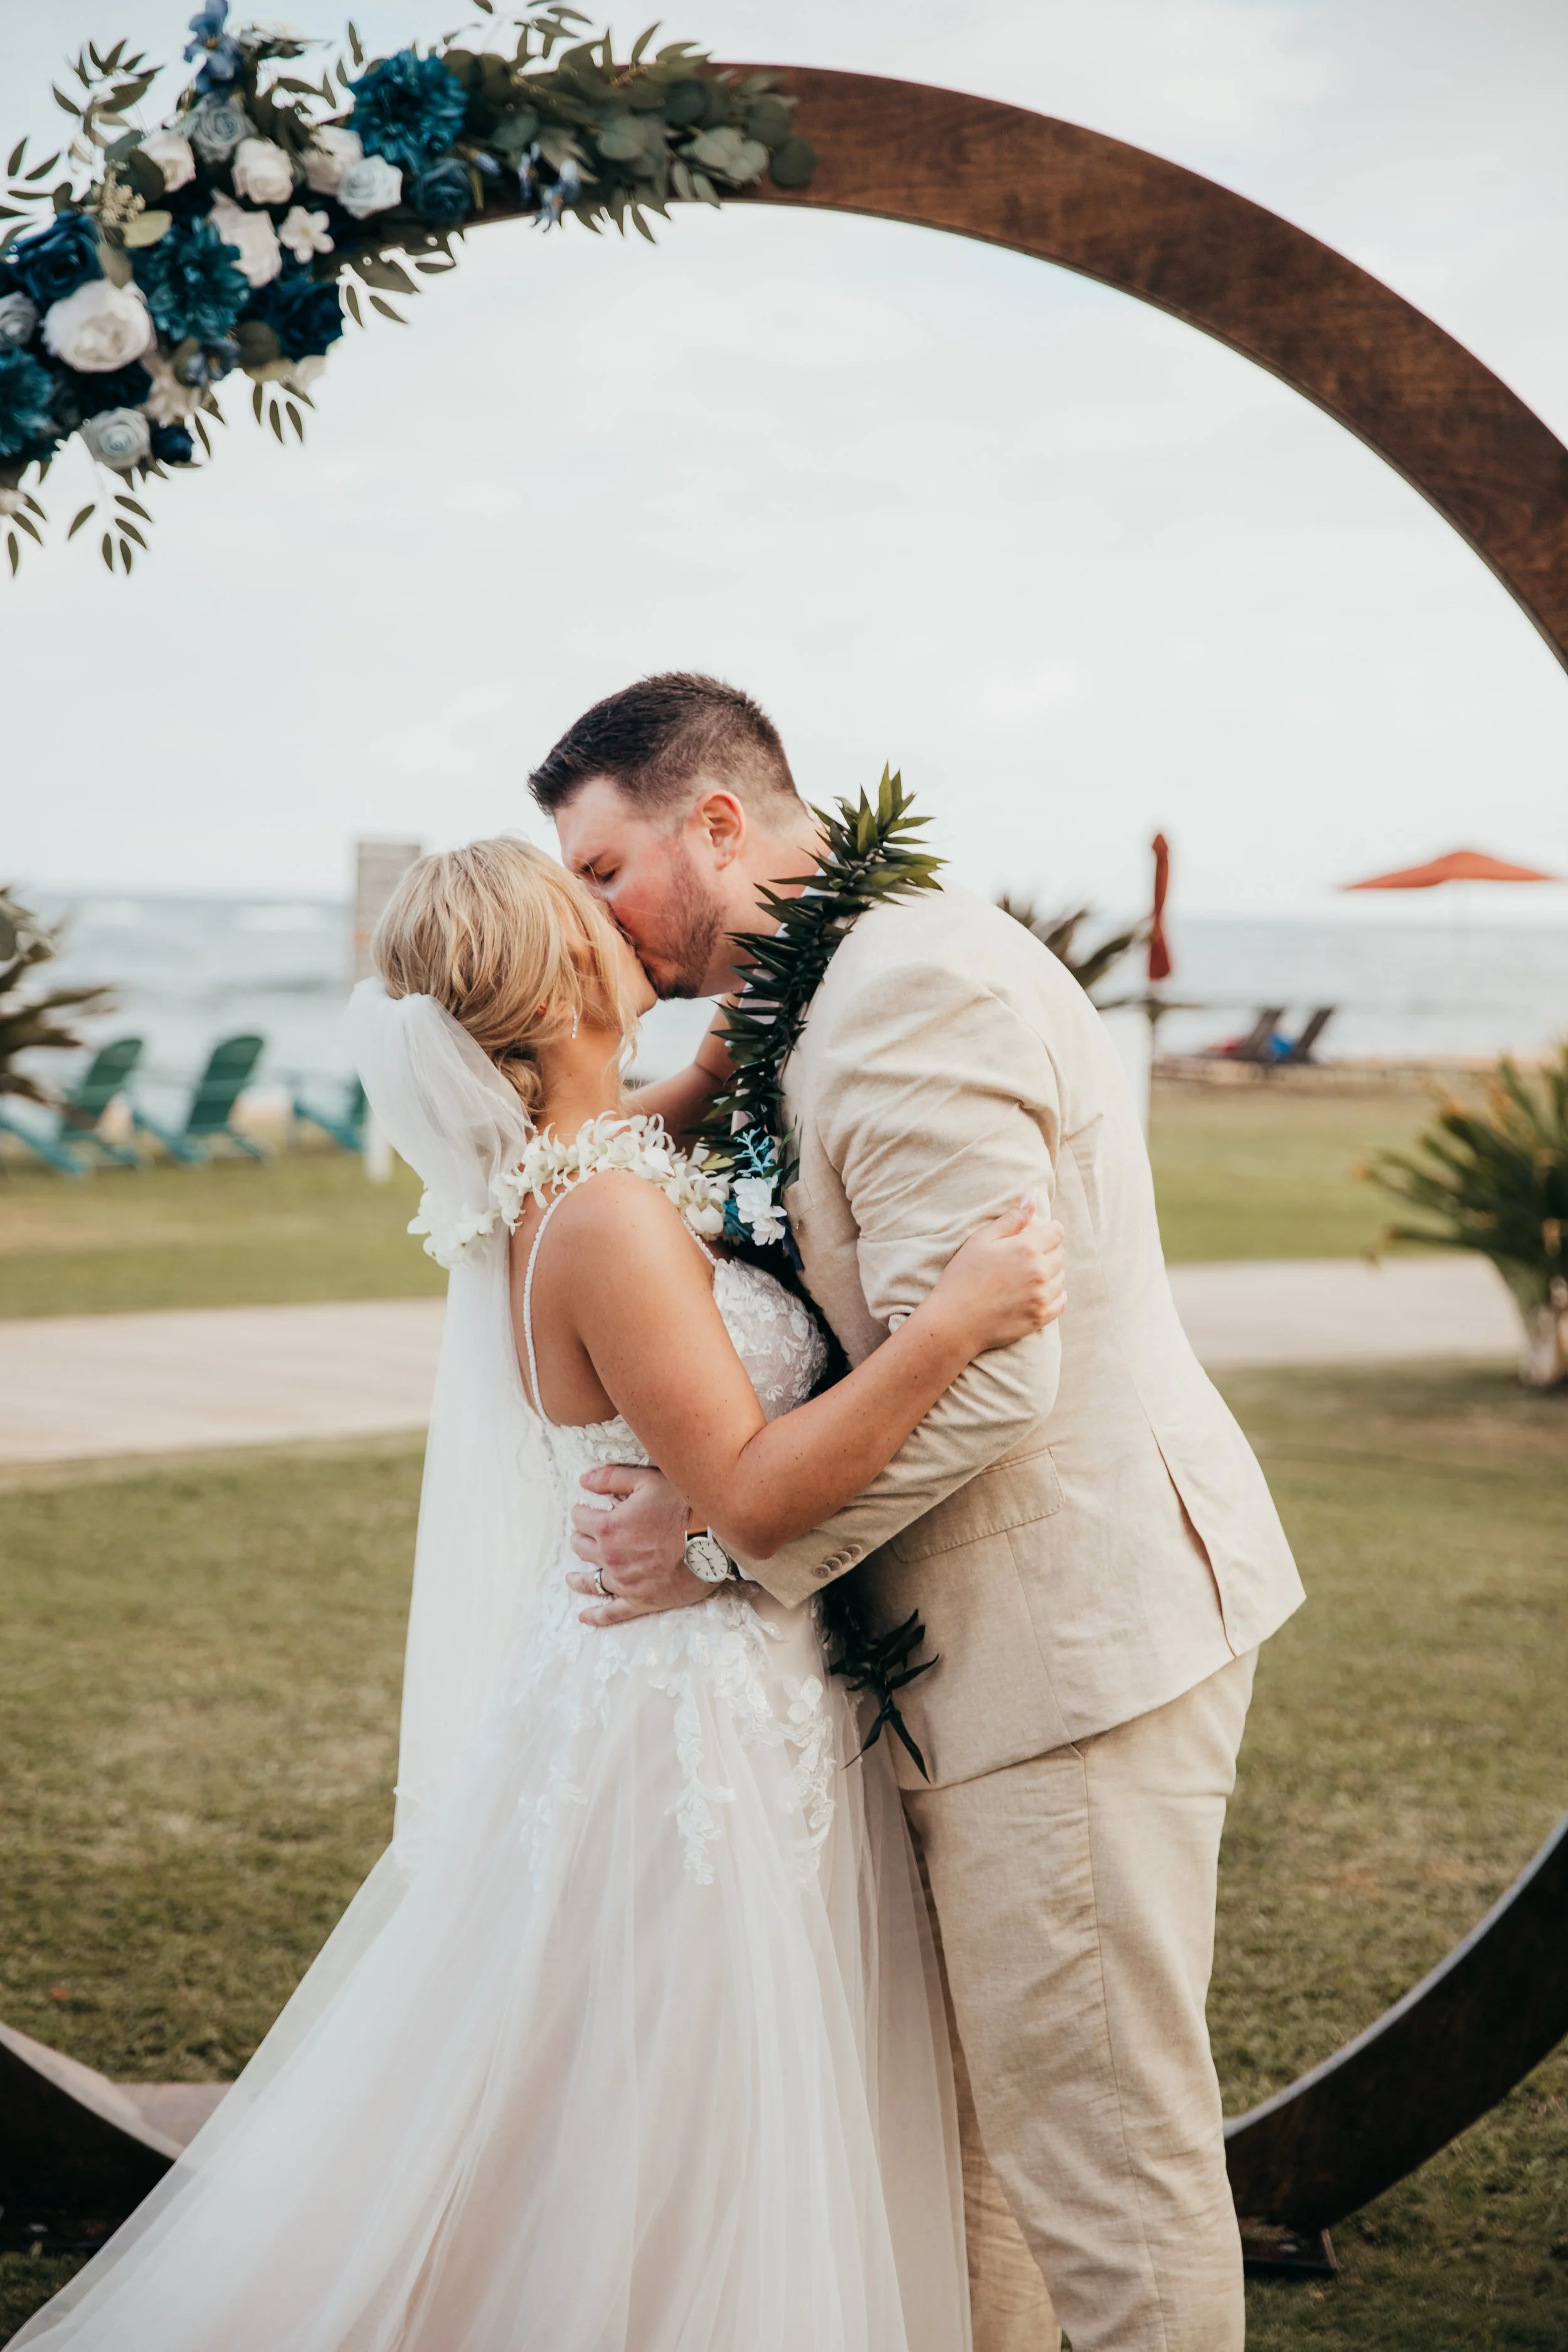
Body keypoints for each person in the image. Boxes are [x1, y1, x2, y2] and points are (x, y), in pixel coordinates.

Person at [14, 835, 1066, 2352]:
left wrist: (716, 1066)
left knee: (628, 2108)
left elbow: (631, 1131)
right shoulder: (608, 1222)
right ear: (574, 968)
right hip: (689, 1716)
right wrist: (949, 1324)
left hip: (678, 1685)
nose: (620, 910)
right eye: (592, 899)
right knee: (690, 2121)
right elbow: (756, 1492)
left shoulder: (574, 1172)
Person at [530, 673, 1308, 2352]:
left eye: (603, 872)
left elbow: (987, 1372)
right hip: (956, 1651)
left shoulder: (906, 990)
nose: (592, 915)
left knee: (1100, 2163)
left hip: (1063, 1644)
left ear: (721, 822)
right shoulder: (817, 996)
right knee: (976, 2161)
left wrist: (722, 1538)